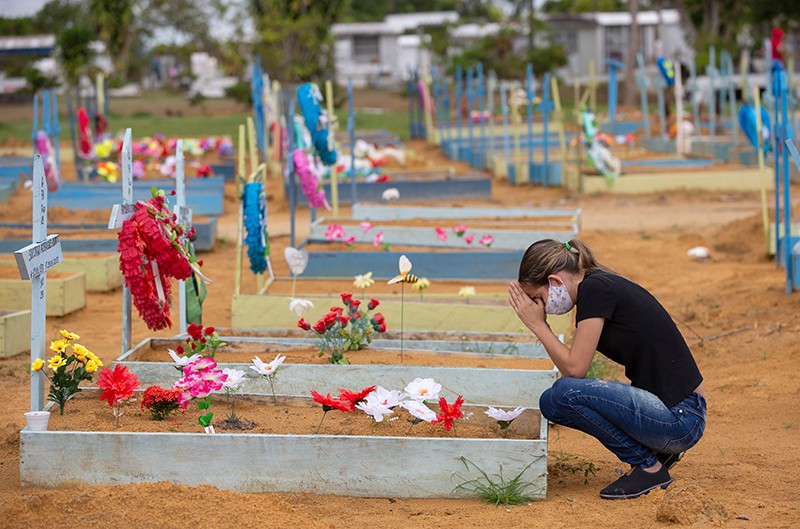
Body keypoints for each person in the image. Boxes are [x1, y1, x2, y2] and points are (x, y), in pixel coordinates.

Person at [508, 239, 706, 500]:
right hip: (678, 413)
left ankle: (649, 467)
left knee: (564, 393)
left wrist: (538, 326)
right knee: (552, 401)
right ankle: (659, 454)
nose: (540, 307)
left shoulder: (595, 289)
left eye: (538, 298)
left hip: (681, 419)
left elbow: (575, 369)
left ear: (555, 282)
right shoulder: (597, 284)